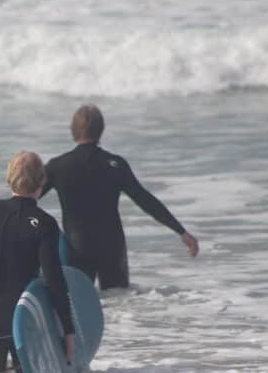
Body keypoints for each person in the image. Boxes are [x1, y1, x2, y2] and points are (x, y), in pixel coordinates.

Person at [42, 104, 198, 290]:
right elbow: (145, 200)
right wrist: (181, 231)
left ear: (73, 130)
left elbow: (28, 196)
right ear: (101, 131)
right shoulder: (115, 164)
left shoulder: (58, 166)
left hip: (78, 247)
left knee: (79, 306)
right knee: (119, 304)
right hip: (111, 246)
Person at [0, 151, 75, 373]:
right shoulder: (44, 223)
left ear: (9, 179)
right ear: (42, 181)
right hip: (23, 319)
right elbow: (55, 281)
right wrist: (69, 330)